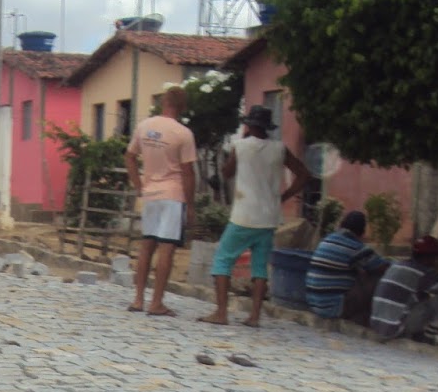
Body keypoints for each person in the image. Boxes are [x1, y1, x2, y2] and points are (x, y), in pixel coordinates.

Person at [205, 105, 312, 327]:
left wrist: (241, 143)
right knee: (260, 267)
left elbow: (226, 173)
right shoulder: (279, 148)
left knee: (223, 261)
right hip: (269, 217)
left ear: (249, 125)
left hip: (243, 215)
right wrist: (283, 196)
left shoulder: (241, 146)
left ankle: (221, 312)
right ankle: (254, 316)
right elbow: (303, 174)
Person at [124, 85, 196, 317]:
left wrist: (138, 184)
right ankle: (156, 302)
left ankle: (137, 299)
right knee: (166, 249)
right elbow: (188, 172)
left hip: (150, 193)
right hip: (173, 195)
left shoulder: (144, 126)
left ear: (162, 102)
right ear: (182, 106)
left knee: (146, 246)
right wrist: (191, 204)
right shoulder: (183, 133)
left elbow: (130, 156)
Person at [305, 209, 388, 322]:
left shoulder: (327, 240)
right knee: (376, 278)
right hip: (333, 306)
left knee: (360, 272)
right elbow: (382, 267)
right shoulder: (354, 246)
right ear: (361, 231)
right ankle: (380, 318)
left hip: (314, 304)